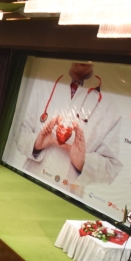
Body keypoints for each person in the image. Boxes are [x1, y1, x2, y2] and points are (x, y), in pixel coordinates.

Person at [10, 60, 122, 198]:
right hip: (30, 178)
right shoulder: (47, 85)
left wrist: (83, 162)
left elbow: (111, 167)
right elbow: (17, 131)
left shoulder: (110, 107)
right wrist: (36, 144)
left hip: (67, 194)